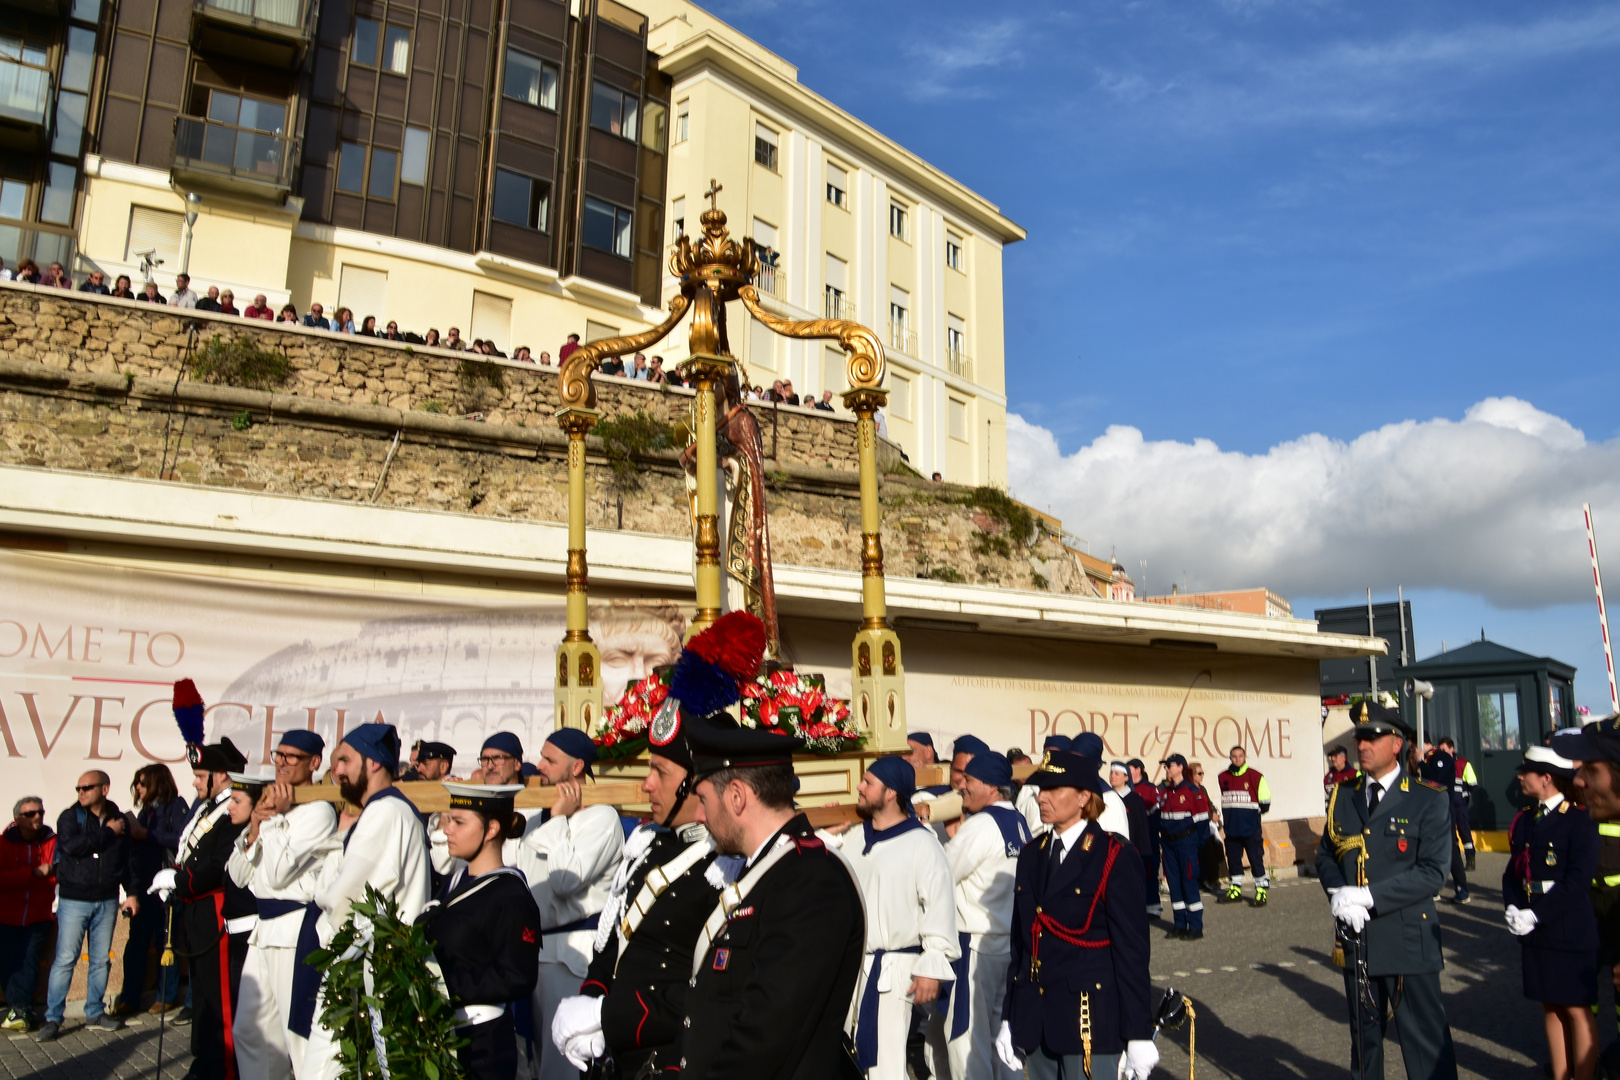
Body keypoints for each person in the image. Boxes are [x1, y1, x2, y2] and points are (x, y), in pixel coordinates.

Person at [680, 709, 865, 1077]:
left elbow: (767, 1033)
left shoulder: (809, 880)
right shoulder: (769, 871)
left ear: (736, 797)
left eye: (704, 799)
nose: (700, 816)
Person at [551, 719, 719, 1076]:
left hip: (666, 1056)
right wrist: (591, 1002)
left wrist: (607, 1017)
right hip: (618, 1047)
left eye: (660, 771)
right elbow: (612, 939)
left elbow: (711, 994)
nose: (646, 785)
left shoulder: (724, 865)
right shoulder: (646, 845)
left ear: (696, 782)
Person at [1317, 701, 1458, 1080]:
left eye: (1372, 737)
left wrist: (1367, 896)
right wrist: (1338, 894)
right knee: (1364, 1047)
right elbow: (1326, 855)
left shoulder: (1427, 796)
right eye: (1360, 737)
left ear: (1397, 744)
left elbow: (1432, 873)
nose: (1362, 745)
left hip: (1408, 939)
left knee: (1425, 1046)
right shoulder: (1343, 795)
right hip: (1358, 940)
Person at [996, 749, 1155, 1080]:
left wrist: (1138, 1032)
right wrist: (1010, 1016)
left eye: (1055, 789)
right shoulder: (1031, 855)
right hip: (1037, 1018)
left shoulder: (1113, 855)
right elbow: (1021, 947)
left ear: (1084, 796)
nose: (1043, 797)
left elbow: (1132, 952)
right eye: (1041, 789)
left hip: (1089, 1020)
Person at [303, 723, 431, 1080]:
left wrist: (322, 923)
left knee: (323, 1070)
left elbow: (347, 900)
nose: (337, 771)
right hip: (368, 971)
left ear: (374, 762)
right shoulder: (382, 811)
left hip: (367, 974)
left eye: (344, 760)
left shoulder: (386, 811)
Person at [820, 757, 957, 1080]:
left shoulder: (922, 843)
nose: (859, 787)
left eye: (868, 782)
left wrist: (932, 966)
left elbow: (939, 904)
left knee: (885, 1065)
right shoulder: (854, 837)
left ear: (892, 792)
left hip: (893, 972)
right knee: (844, 1059)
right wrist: (826, 837)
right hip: (851, 968)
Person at [513, 728, 623, 1080]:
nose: (540, 766)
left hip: (572, 957)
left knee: (563, 1065)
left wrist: (559, 818)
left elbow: (565, 882)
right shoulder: (536, 820)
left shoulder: (602, 817)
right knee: (535, 1061)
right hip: (536, 953)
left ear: (577, 767)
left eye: (550, 759)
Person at [229, 730, 338, 1080]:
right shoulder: (272, 807)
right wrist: (256, 825)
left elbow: (276, 875)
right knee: (250, 1030)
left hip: (295, 931)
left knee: (299, 1037)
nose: (282, 763)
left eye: (292, 757)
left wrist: (274, 818)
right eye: (279, 755)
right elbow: (238, 874)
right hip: (263, 931)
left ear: (314, 763)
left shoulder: (319, 811)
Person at [146, 738, 250, 1075]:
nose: (194, 781)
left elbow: (220, 864)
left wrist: (179, 881)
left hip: (214, 909)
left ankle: (223, 1065)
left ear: (220, 775)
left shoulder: (232, 811)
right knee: (202, 992)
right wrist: (174, 879)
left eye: (199, 774)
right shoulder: (208, 808)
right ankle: (204, 1058)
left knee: (219, 996)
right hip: (195, 909)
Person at [424, 782, 542, 1080]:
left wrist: (446, 985)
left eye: (458, 822)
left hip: (481, 1046)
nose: (447, 830)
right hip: (446, 1036)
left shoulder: (510, 895)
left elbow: (517, 975)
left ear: (490, 829)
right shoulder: (455, 881)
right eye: (448, 820)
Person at [1505, 744, 1600, 1080]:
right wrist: (1513, 905)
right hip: (1537, 930)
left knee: (1576, 1008)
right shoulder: (1525, 820)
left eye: (1525, 772)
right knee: (1550, 1004)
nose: (1519, 777)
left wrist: (1537, 914)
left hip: (1568, 928)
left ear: (1546, 779)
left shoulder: (1578, 819)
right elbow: (1512, 871)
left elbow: (1577, 882)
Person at [931, 752, 1029, 1080]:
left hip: (974, 946)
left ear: (990, 786)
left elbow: (940, 873)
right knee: (1003, 1041)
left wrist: (924, 835)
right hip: (1007, 943)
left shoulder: (982, 825)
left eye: (969, 781)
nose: (962, 788)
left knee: (966, 1038)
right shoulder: (1018, 821)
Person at [35, 770, 136, 1041]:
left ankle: (95, 1011)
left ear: (104, 789)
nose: (81, 792)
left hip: (106, 899)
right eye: (78, 788)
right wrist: (108, 833)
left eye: (87, 788)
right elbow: (73, 847)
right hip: (74, 900)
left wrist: (132, 893)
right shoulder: (70, 817)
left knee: (101, 960)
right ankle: (53, 1017)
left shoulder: (119, 819)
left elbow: (126, 860)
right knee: (65, 960)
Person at [112, 765, 189, 1019]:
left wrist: (145, 834)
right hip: (143, 887)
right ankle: (129, 996)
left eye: (143, 783)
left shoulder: (175, 805)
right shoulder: (146, 811)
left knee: (165, 942)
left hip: (167, 888)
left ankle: (166, 995)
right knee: (136, 943)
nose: (139, 789)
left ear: (157, 783)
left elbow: (181, 838)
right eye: (137, 784)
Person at [0, 797, 55, 1033]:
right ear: (17, 819)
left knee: (30, 963)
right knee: (10, 964)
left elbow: (55, 874)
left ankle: (21, 1009)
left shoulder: (52, 841)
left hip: (38, 914)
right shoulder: (4, 843)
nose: (37, 817)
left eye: (40, 812)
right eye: (30, 814)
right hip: (7, 915)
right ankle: (18, 1009)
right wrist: (32, 873)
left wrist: (26, 878)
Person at [1158, 753, 1211, 940]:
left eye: (1169, 766)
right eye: (1165, 766)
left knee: (1188, 881)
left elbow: (1203, 821)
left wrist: (1198, 844)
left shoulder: (1192, 792)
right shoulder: (1165, 792)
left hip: (1186, 843)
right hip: (1169, 844)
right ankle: (1179, 924)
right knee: (1174, 884)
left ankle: (1195, 926)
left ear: (1180, 767)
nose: (1166, 769)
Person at [1218, 745, 1273, 906]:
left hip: (1251, 828)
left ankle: (1261, 891)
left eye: (1240, 756)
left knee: (1256, 860)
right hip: (1231, 828)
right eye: (1234, 756)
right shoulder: (1223, 777)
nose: (1237, 759)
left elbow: (1265, 803)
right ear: (1230, 758)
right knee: (1234, 860)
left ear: (1244, 757)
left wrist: (1251, 816)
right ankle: (1235, 890)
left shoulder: (1255, 776)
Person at [1419, 741, 1469, 903]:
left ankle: (1462, 888)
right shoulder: (1425, 759)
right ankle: (1433, 888)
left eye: (1413, 746)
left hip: (1444, 807)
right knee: (1429, 846)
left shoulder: (1439, 757)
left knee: (1450, 846)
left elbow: (1436, 779)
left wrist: (1420, 763)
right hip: (1427, 808)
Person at [1127, 758, 1163, 916]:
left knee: (1149, 872)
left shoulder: (1150, 789)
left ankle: (1153, 907)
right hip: (1131, 840)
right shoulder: (1125, 790)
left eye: (1130, 769)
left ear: (1138, 770)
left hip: (1148, 837)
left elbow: (1156, 815)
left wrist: (1150, 835)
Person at [1437, 737, 1478, 870]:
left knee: (1464, 830)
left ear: (1451, 749)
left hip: (1459, 804)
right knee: (1449, 834)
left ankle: (1470, 859)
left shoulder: (1462, 763)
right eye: (1440, 750)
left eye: (1444, 749)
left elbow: (1472, 783)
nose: (1441, 752)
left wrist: (1464, 796)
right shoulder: (1438, 764)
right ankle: (1455, 862)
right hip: (1444, 804)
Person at [1016, 735, 1071, 834]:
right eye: (1046, 754)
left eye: (1055, 754)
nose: (1049, 758)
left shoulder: (1074, 789)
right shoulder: (1028, 787)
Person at [1110, 761, 1151, 862]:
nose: (1112, 776)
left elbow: (1141, 829)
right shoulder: (1107, 797)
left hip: (1130, 849)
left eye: (1117, 774)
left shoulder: (1135, 800)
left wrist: (1142, 853)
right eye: (1111, 773)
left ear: (1126, 778)